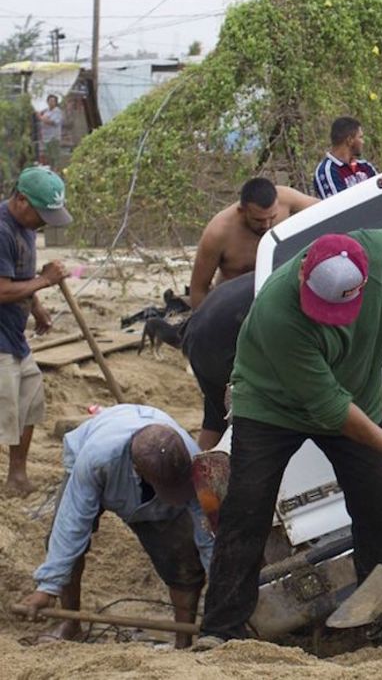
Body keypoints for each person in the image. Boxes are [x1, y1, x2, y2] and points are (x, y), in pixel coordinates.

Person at [194, 227, 382, 650]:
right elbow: (329, 407)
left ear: (365, 282)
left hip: (356, 398)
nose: (323, 317)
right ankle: (221, 631)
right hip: (272, 404)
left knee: (374, 502)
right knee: (247, 507)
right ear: (302, 273)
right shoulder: (278, 314)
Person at [16, 405, 214, 648]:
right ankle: (71, 623)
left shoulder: (193, 462)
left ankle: (184, 641)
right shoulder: (97, 460)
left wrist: (222, 588)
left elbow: (209, 532)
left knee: (184, 560)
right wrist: (48, 587)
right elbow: (72, 525)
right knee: (66, 543)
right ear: (137, 470)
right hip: (96, 463)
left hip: (164, 478)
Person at [0, 167, 71, 495]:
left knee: (29, 401)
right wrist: (45, 280)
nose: (44, 222)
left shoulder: (25, 227)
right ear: (21, 200)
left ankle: (17, 476)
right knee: (5, 410)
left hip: (15, 335)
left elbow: (19, 276)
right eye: (41, 214)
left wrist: (37, 306)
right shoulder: (1, 229)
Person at [189, 178, 318, 308]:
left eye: (272, 217)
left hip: (283, 294)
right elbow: (198, 290)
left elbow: (329, 210)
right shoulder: (218, 233)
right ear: (242, 211)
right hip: (238, 304)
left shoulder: (287, 198)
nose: (267, 225)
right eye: (258, 220)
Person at [180, 272, 254, 451]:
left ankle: (197, 473)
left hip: (206, 322)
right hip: (223, 332)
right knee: (252, 421)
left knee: (216, 415)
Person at [314, 116, 378, 198]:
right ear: (350, 140)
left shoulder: (365, 166)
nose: (363, 142)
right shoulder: (327, 171)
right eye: (360, 137)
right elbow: (338, 206)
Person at [37, 95, 64, 168]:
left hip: (53, 138)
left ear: (56, 102)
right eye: (50, 101)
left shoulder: (57, 111)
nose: (51, 102)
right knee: (48, 157)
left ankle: (56, 171)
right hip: (46, 138)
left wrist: (41, 118)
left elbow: (53, 122)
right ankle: (51, 170)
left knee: (54, 157)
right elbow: (43, 120)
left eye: (53, 101)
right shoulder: (46, 111)